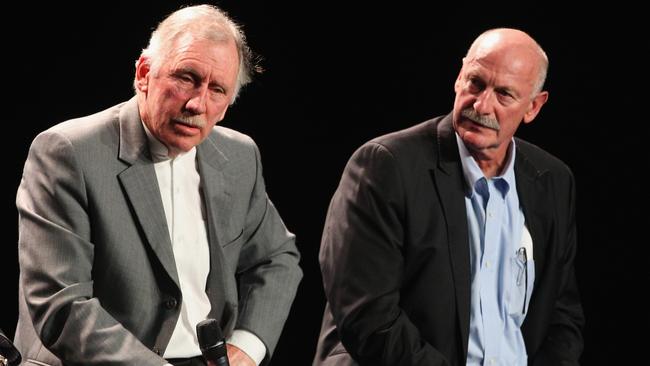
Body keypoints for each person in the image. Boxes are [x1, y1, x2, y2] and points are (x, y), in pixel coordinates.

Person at [15, 4, 302, 366]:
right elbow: (62, 305)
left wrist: (247, 346)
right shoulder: (67, 151)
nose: (197, 103)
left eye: (216, 89)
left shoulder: (240, 155)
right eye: (186, 78)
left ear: (228, 104)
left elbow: (277, 258)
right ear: (143, 73)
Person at [313, 28, 584, 365]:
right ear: (459, 78)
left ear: (533, 107)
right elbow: (369, 318)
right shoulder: (387, 166)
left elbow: (562, 315)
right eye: (476, 83)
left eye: (504, 94)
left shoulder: (553, 180)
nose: (482, 105)